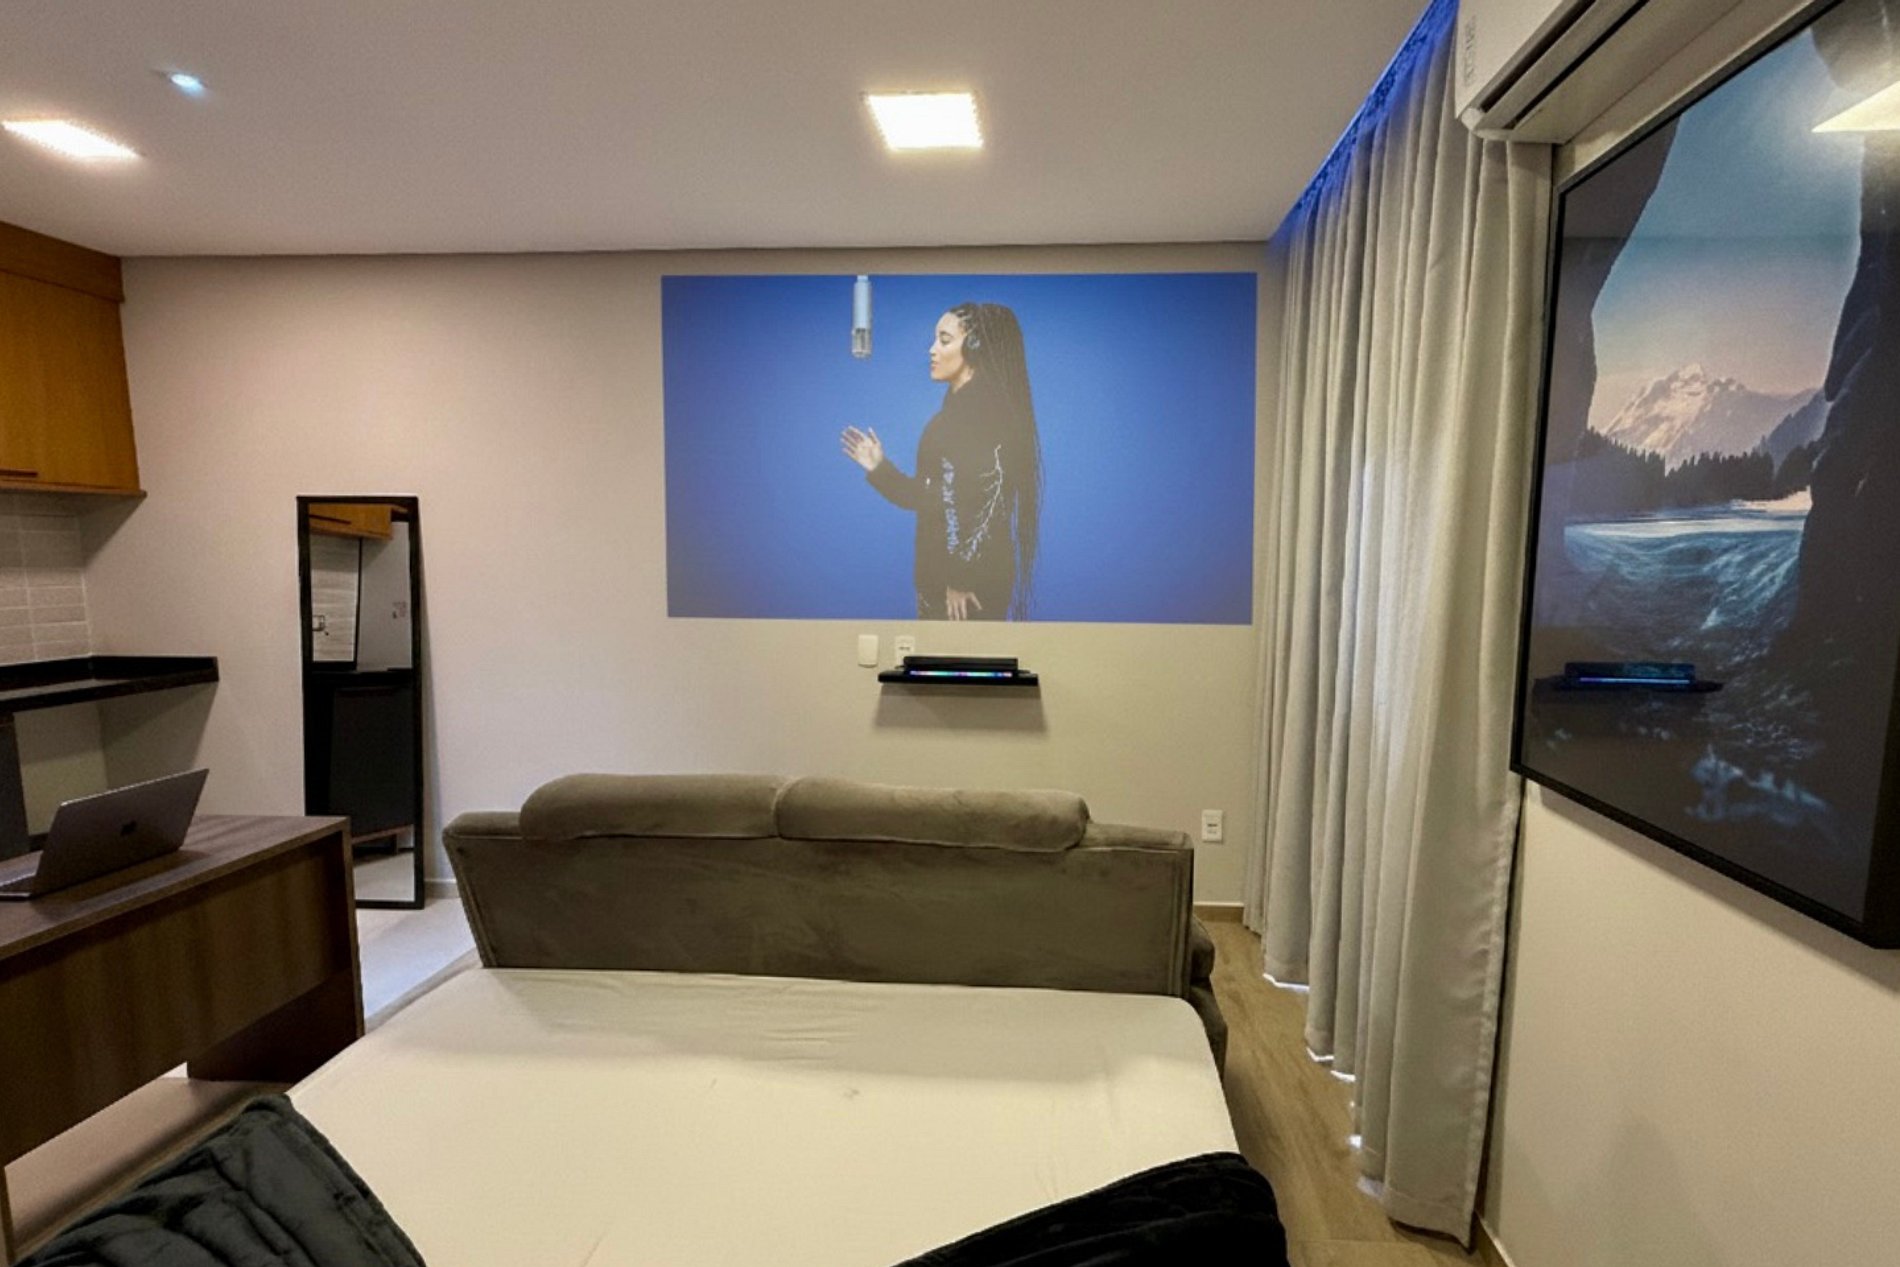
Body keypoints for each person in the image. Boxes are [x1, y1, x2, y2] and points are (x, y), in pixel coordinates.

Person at [840, 302, 1043, 621]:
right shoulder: (953, 415)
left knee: (961, 655)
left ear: (974, 346)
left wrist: (960, 579)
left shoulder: (982, 416)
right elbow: (930, 499)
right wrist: (879, 468)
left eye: (944, 340)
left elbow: (985, 503)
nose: (932, 349)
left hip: (964, 593)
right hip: (944, 585)